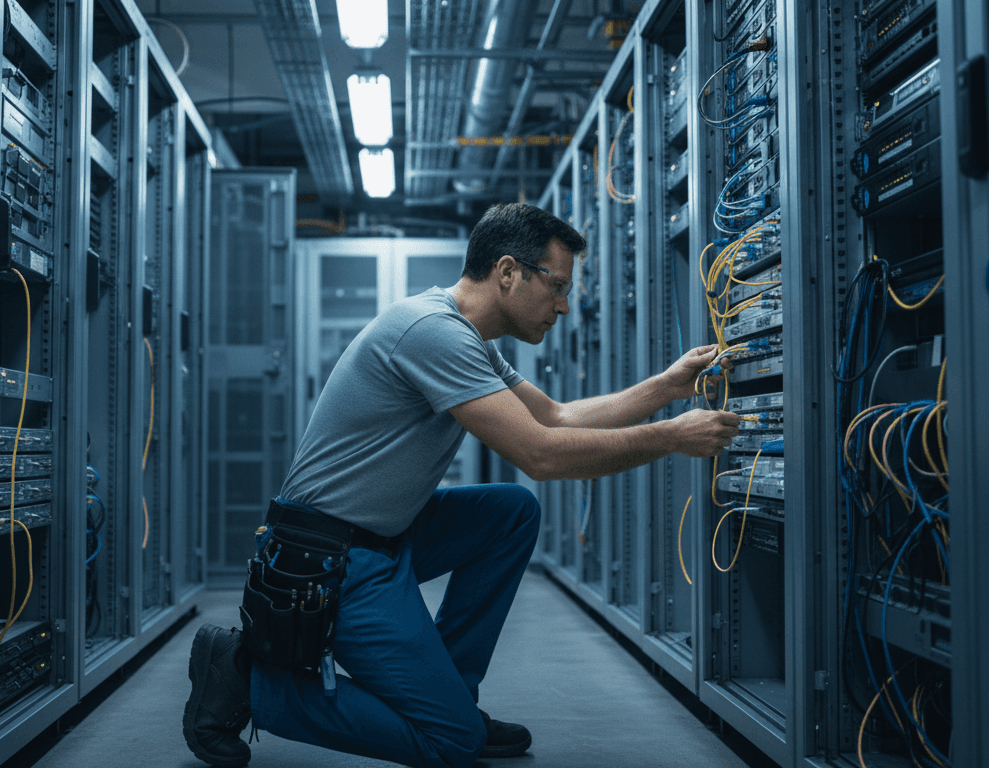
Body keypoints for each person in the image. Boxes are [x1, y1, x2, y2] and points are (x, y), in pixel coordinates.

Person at [182, 203, 740, 768]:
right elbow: (541, 454)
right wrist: (671, 437)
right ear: (507, 272)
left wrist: (668, 388)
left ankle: (448, 694)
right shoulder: (434, 333)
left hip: (380, 539)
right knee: (451, 745)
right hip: (332, 563)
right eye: (558, 286)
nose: (565, 307)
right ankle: (246, 678)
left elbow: (555, 417)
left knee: (510, 513)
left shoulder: (469, 339)